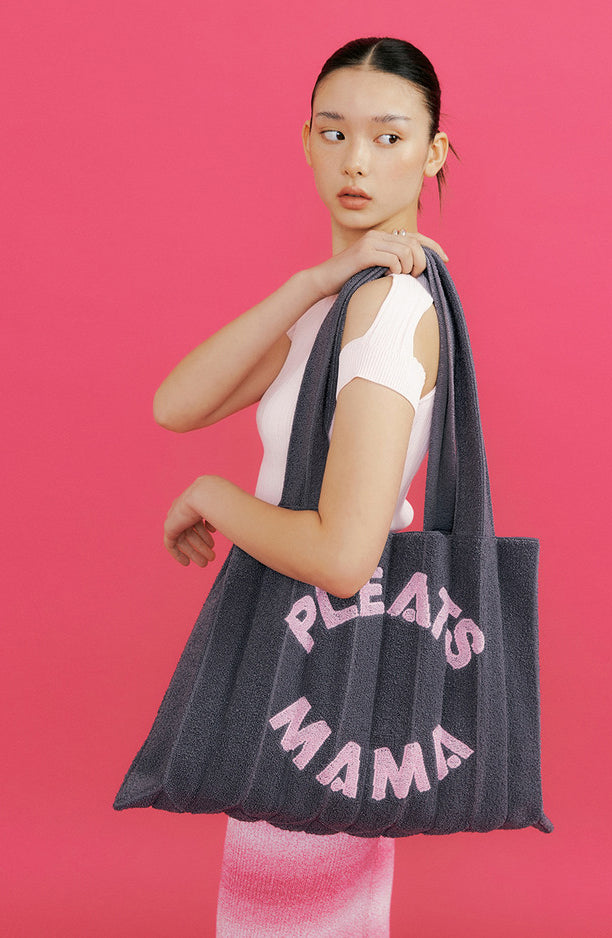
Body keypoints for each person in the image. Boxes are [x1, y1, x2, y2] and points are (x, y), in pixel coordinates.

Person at [154, 36, 455, 938]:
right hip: (309, 657)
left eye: (389, 137)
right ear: (306, 141)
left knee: (290, 915)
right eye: (334, 133)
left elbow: (343, 555)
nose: (356, 160)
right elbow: (177, 403)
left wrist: (213, 496)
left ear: (433, 153)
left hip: (326, 665)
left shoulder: (389, 312)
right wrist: (311, 281)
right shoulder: (341, 303)